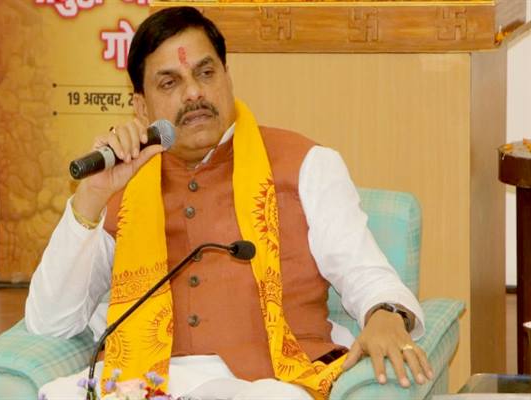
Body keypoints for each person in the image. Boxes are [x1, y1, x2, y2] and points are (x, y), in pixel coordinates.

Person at [26, 6, 432, 399]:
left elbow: (365, 273)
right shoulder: (122, 184)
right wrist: (93, 195)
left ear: (227, 76)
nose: (194, 93)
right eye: (169, 83)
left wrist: (386, 315)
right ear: (141, 106)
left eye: (206, 73)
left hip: (270, 385)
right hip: (150, 383)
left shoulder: (306, 164)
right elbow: (52, 322)